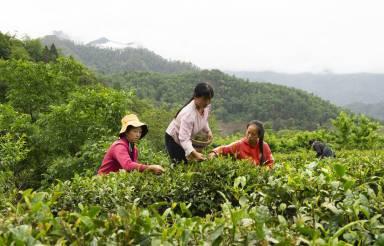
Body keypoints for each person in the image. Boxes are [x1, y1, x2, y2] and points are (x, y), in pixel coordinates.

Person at [98, 114, 164, 175]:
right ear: (126, 132)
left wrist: (151, 171)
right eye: (135, 131)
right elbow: (128, 165)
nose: (138, 135)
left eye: (140, 132)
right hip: (104, 182)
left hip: (117, 182)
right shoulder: (119, 146)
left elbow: (133, 169)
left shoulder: (134, 149)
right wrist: (150, 167)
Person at [165, 82, 214, 164]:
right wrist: (195, 154)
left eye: (209, 99)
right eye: (205, 99)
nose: (207, 102)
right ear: (195, 97)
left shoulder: (205, 107)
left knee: (190, 162)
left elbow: (204, 119)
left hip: (185, 137)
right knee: (180, 164)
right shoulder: (189, 114)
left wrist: (208, 131)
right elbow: (184, 139)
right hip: (173, 138)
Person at [208, 120, 274, 168]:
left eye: (253, 134)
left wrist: (262, 171)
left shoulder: (264, 146)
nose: (249, 136)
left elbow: (270, 163)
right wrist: (213, 153)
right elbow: (223, 149)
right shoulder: (239, 144)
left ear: (259, 136)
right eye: (248, 132)